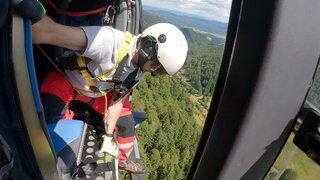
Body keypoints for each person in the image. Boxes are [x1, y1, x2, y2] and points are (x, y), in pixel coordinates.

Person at [31, 13, 188, 174]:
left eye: (159, 70)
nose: (154, 70)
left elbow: (117, 101)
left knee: (126, 124)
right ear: (148, 46)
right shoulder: (109, 42)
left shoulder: (140, 69)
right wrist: (29, 18)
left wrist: (107, 135)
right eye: (157, 65)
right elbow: (50, 32)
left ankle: (122, 160)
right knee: (49, 120)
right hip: (66, 81)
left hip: (95, 93)